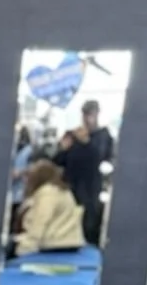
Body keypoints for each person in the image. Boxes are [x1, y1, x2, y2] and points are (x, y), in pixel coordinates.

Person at [54, 100, 116, 245]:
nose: (88, 119)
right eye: (85, 115)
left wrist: (86, 142)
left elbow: (100, 158)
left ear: (97, 115)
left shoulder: (103, 136)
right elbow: (57, 161)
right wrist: (62, 149)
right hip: (70, 189)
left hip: (91, 190)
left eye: (91, 115)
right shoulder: (72, 135)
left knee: (89, 227)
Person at [11, 159, 86, 257]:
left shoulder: (47, 194)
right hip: (69, 240)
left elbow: (40, 223)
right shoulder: (64, 191)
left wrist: (22, 248)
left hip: (54, 243)